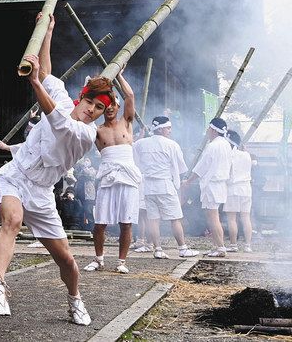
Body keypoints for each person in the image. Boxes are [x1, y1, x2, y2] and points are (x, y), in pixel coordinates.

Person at [0, 12, 114, 326]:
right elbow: (46, 71)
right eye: (91, 104)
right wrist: (46, 32)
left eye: (100, 109)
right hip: (16, 175)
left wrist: (33, 84)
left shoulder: (86, 135)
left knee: (67, 261)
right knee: (12, 220)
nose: (92, 112)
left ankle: (75, 300)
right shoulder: (60, 95)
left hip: (43, 192)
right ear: (81, 97)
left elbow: (56, 117)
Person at [84, 72, 141, 275]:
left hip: (128, 176)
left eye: (112, 107)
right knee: (100, 223)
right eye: (105, 107)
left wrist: (119, 75)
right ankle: (99, 259)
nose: (109, 110)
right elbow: (83, 114)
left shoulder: (126, 122)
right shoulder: (96, 130)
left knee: (126, 222)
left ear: (117, 108)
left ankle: (121, 262)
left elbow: (130, 96)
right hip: (108, 177)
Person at [132, 116, 199, 259]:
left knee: (153, 219)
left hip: (148, 187)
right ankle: (182, 248)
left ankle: (158, 249)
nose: (170, 130)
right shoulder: (172, 145)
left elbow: (136, 163)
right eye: (168, 128)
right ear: (161, 129)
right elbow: (181, 168)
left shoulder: (140, 144)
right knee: (175, 218)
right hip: (165, 185)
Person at [181, 117, 232, 257]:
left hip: (213, 185)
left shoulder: (213, 145)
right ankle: (217, 246)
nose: (208, 132)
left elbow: (202, 167)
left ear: (214, 130)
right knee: (213, 217)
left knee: (213, 217)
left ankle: (221, 247)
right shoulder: (226, 144)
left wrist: (188, 181)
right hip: (220, 184)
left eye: (209, 129)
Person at [223, 130, 253, 253]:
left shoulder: (228, 155)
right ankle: (248, 246)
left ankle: (233, 245)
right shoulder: (246, 155)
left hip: (233, 189)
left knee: (231, 219)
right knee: (246, 217)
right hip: (246, 189)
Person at [74, 156, 97, 231]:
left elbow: (88, 174)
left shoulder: (92, 170)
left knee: (88, 211)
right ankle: (81, 227)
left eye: (87, 160)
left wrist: (84, 167)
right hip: (79, 193)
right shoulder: (79, 169)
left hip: (88, 195)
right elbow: (75, 175)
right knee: (80, 210)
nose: (85, 162)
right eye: (85, 160)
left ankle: (91, 228)